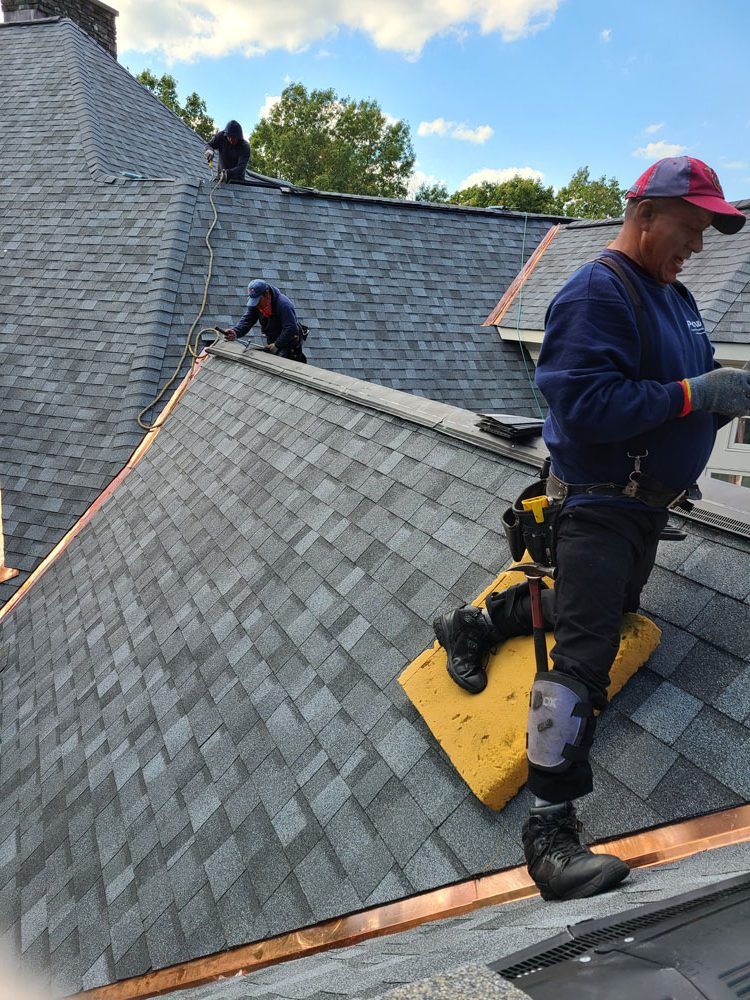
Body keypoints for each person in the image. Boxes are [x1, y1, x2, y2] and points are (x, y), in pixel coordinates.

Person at [434, 157, 750, 902]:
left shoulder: (675, 298)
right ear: (645, 213)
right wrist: (693, 395)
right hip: (598, 505)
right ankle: (549, 836)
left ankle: (474, 623)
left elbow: (680, 392)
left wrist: (719, 400)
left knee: (607, 611)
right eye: (691, 227)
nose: (698, 245)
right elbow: (583, 408)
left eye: (707, 232)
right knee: (584, 658)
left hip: (642, 507)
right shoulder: (595, 294)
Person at [224, 279, 308, 362]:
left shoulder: (283, 305)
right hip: (273, 339)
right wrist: (236, 331)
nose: (256, 305)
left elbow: (291, 328)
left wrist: (277, 345)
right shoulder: (257, 304)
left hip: (289, 343)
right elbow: (248, 319)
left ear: (266, 294)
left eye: (258, 301)